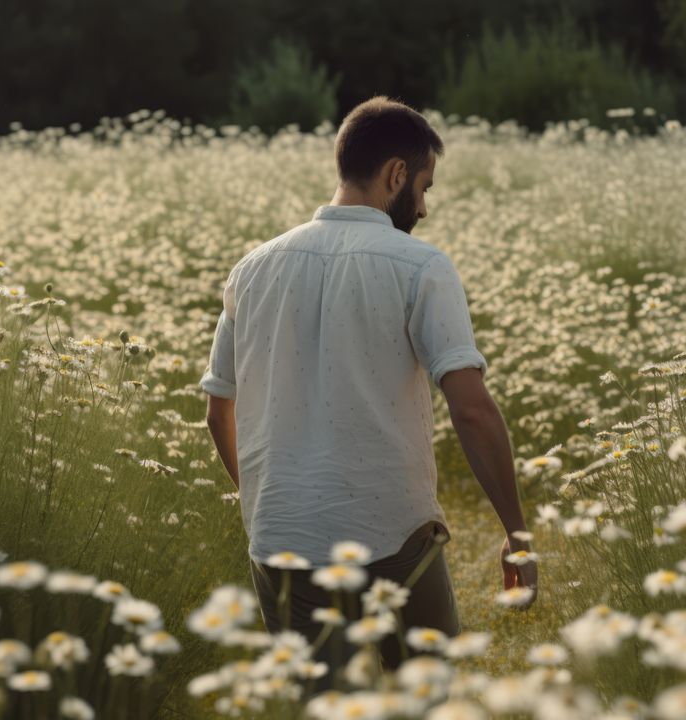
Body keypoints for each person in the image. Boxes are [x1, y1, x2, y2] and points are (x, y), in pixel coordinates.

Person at [199, 95, 537, 695]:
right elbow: (472, 408)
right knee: (431, 696)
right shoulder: (420, 267)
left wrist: (262, 501)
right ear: (396, 175)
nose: (425, 208)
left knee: (323, 704)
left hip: (283, 542)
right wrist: (516, 532)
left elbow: (217, 408)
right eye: (425, 187)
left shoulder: (250, 270)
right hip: (393, 534)